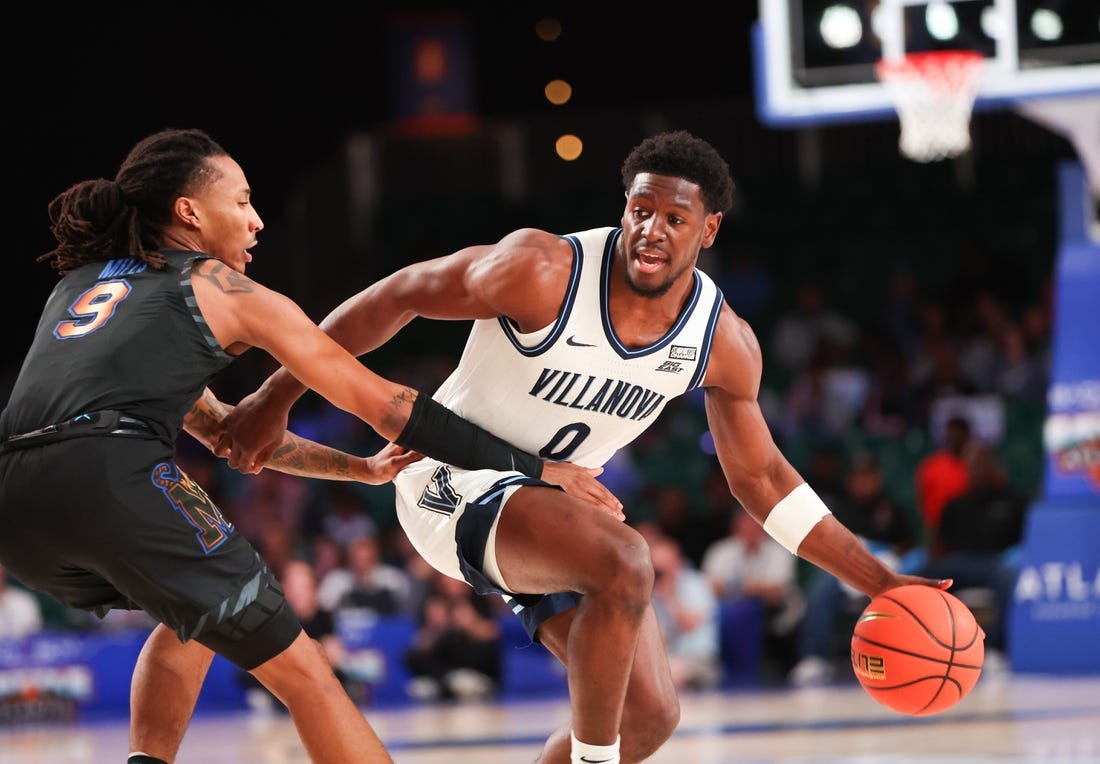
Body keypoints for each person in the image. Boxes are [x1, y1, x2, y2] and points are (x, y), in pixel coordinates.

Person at [219, 129, 951, 763]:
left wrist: (879, 582)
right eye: (640, 211)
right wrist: (270, 398)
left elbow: (760, 479)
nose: (651, 231)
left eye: (674, 217)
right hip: (450, 479)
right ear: (622, 210)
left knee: (650, 716)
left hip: (552, 502)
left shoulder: (722, 343)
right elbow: (397, 295)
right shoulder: (541, 272)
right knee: (626, 561)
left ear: (710, 231)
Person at [0, 128, 617, 764]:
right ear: (189, 212)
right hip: (110, 475)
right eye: (241, 202)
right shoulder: (222, 287)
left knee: (192, 616)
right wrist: (534, 466)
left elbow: (220, 431)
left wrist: (362, 471)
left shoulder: (81, 286)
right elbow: (386, 405)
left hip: (17, 503)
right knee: (307, 675)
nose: (257, 220)